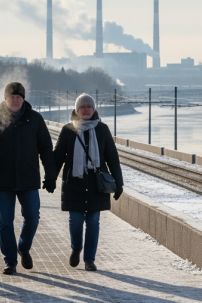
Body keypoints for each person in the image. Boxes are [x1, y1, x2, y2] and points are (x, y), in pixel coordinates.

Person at [0, 82, 55, 275]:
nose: (15, 100)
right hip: (3, 180)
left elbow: (46, 149)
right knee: (6, 222)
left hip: (28, 179)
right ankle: (10, 260)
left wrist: (51, 175)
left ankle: (23, 247)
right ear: (5, 98)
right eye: (12, 97)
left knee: (33, 217)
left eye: (19, 97)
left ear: (24, 98)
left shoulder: (35, 119)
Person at [51, 93, 123, 271]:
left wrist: (119, 182)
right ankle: (76, 248)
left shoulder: (102, 129)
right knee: (75, 220)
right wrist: (50, 178)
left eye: (89, 106)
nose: (86, 109)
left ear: (94, 109)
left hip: (96, 183)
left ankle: (89, 259)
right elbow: (58, 156)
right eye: (82, 107)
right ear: (76, 110)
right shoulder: (68, 130)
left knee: (93, 222)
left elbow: (112, 157)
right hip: (74, 183)